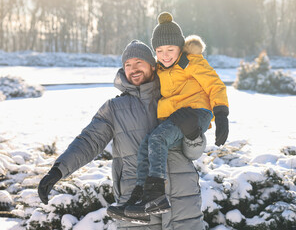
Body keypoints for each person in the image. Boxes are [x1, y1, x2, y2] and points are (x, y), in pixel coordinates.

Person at [38, 40, 208, 229]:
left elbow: (194, 153)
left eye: (139, 63)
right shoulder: (114, 109)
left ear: (153, 65)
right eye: (127, 65)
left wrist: (193, 134)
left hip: (182, 204)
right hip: (135, 208)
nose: (133, 69)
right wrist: (58, 171)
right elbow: (89, 141)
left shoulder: (175, 98)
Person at [120, 12, 229, 219]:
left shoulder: (191, 62)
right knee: (147, 143)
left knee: (158, 138)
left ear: (180, 47)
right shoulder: (160, 68)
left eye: (170, 49)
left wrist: (221, 114)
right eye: (159, 50)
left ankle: (156, 196)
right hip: (176, 116)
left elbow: (215, 85)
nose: (165, 54)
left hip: (196, 112)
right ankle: (140, 195)